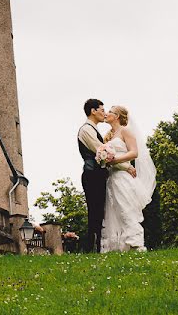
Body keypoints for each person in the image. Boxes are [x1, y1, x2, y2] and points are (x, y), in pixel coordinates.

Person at [77, 99, 136, 252]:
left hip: (99, 174)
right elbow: (101, 151)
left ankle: (97, 247)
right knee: (94, 212)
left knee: (100, 212)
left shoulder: (95, 130)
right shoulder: (86, 130)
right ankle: (91, 248)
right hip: (92, 174)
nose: (104, 113)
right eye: (102, 110)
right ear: (93, 111)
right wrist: (126, 166)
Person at [100, 105, 157, 253]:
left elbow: (134, 153)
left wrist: (115, 159)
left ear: (117, 116)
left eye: (110, 112)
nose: (106, 114)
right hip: (112, 177)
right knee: (115, 212)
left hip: (123, 177)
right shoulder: (109, 135)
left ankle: (137, 244)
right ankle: (120, 246)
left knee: (126, 209)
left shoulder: (125, 131)